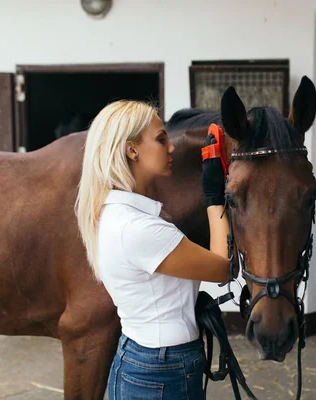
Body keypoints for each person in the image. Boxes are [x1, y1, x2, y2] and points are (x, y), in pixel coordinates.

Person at [75, 100, 230, 400]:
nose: (171, 148)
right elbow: (223, 267)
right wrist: (214, 196)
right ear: (132, 149)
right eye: (161, 139)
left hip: (143, 358)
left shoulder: (113, 215)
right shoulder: (140, 230)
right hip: (163, 367)